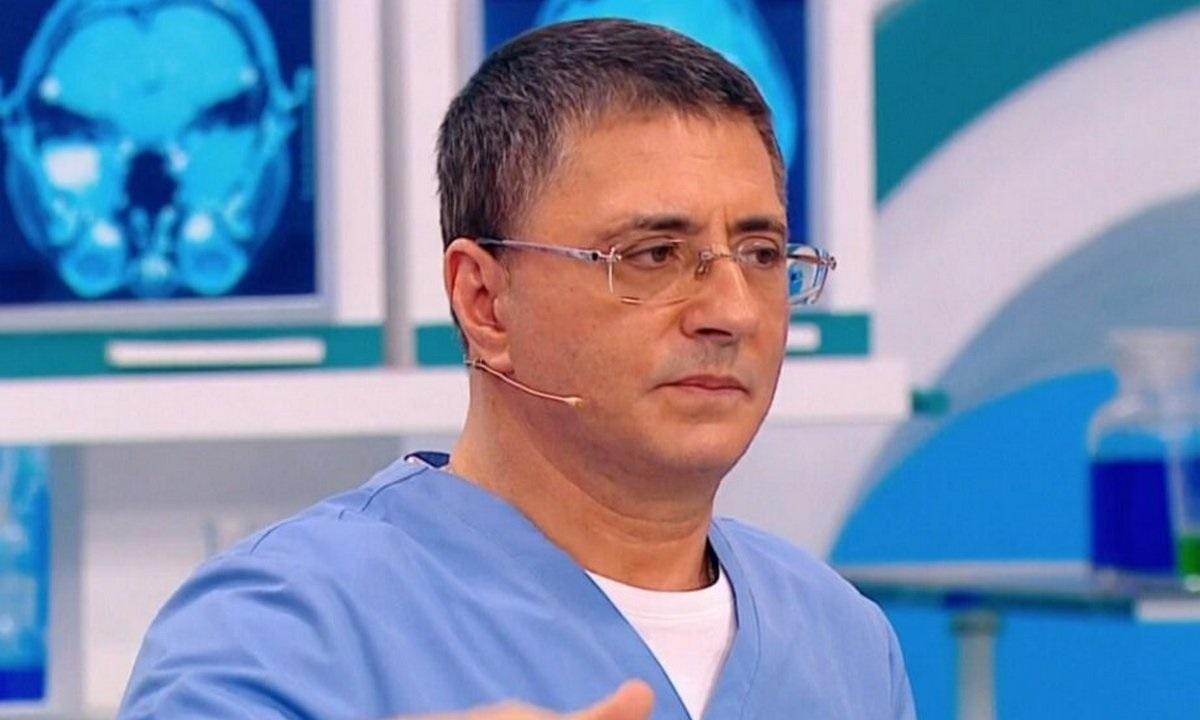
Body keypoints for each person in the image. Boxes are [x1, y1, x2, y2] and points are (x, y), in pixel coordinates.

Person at [119, 18, 915, 720]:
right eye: (653, 256)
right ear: (485, 302)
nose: (732, 312)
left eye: (762, 254)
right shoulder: (280, 632)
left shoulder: (840, 640)